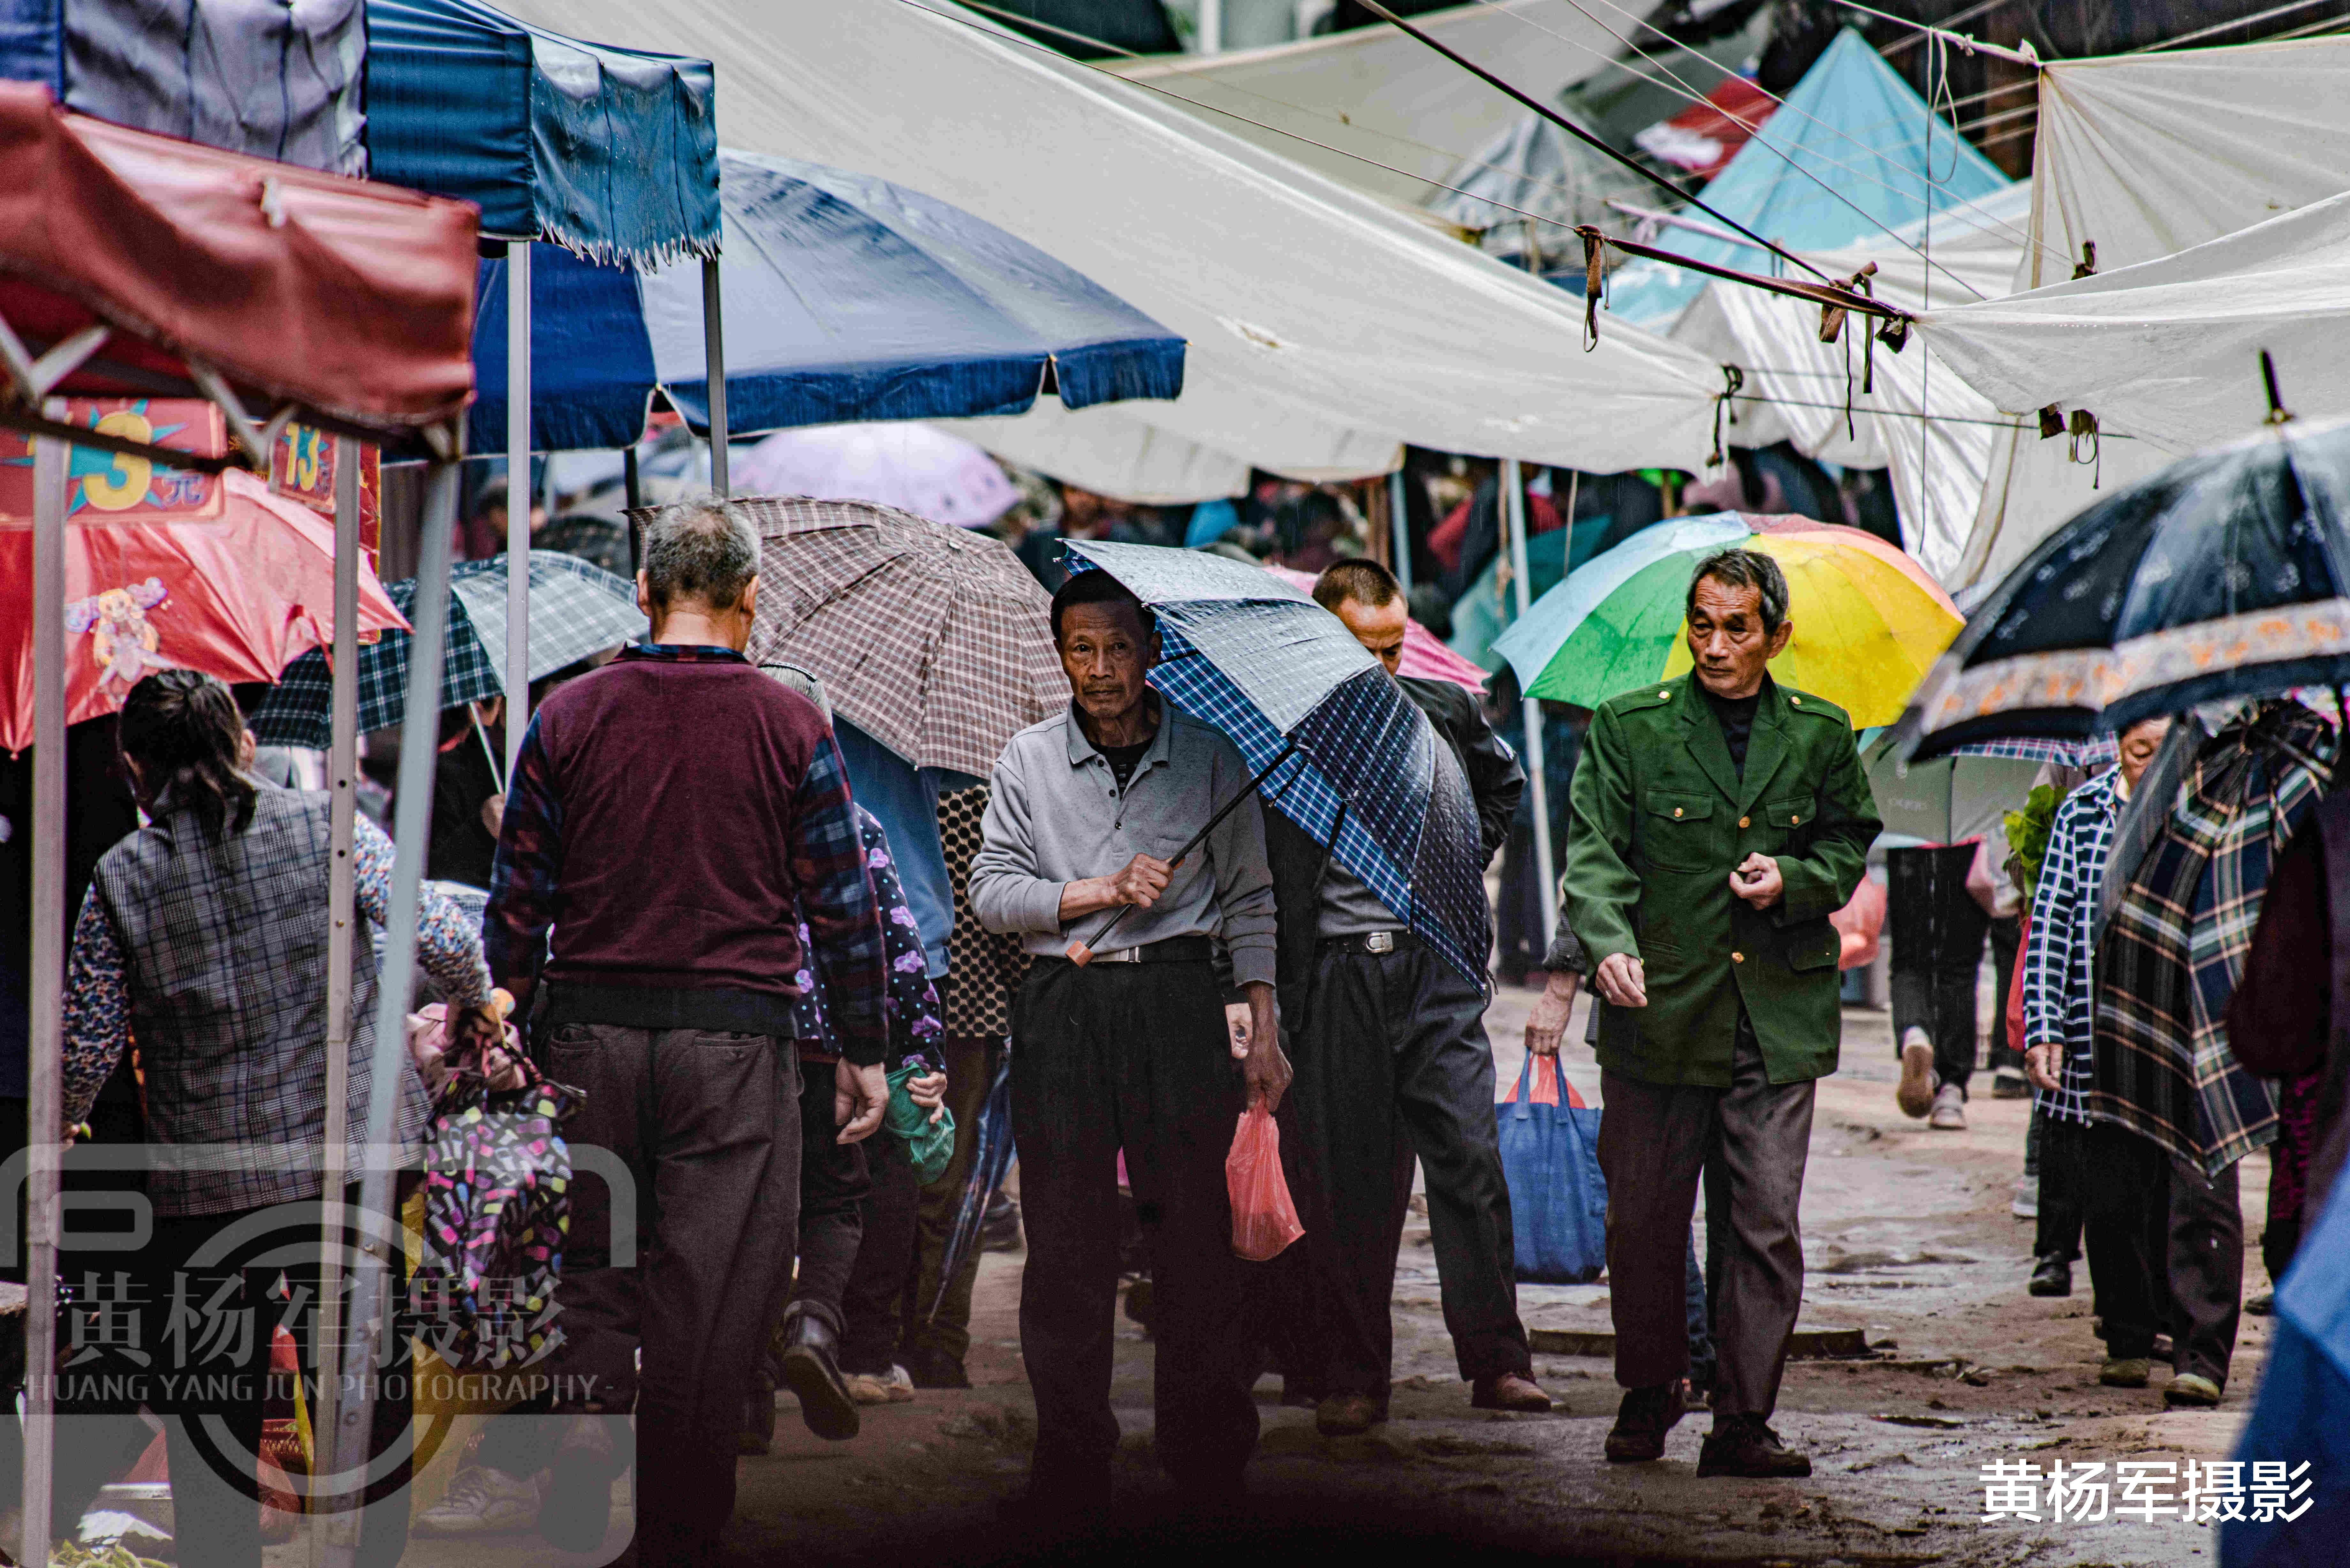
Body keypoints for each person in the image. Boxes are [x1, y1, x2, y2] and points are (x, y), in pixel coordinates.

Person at [484, 498, 889, 1562]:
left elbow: (518, 888)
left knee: (591, 1263)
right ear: (752, 601)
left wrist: (508, 999)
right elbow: (843, 902)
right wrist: (865, 1047)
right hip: (733, 1043)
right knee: (712, 1291)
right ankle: (677, 1525)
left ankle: (580, 1431)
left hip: (587, 1036)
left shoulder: (568, 714)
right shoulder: (790, 722)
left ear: (644, 593)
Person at [53, 671, 494, 1566]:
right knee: (368, 1373)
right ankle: (373, 1554)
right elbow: (443, 936)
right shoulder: (331, 829)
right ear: (243, 745)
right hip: (356, 1154)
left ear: (134, 767)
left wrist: (61, 1123)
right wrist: (477, 1003)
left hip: (212, 1180)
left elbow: (89, 1046)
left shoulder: (121, 879)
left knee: (212, 1389)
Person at [969, 568, 1287, 1508]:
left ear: (1152, 651)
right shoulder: (1026, 759)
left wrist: (1262, 1026)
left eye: (1117, 647)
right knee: (1065, 1239)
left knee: (1193, 1232)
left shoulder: (1212, 759)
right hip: (1064, 1004)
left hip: (1181, 1001)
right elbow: (992, 893)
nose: (1100, 668)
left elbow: (1252, 900)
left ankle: (1206, 1452)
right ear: (1059, 653)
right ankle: (1069, 1455)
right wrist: (1098, 889)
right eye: (1081, 649)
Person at [1561, 549, 1878, 1477]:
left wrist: (1795, 878)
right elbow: (1594, 853)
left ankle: (1741, 1416)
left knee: (1761, 1221)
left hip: (1773, 1017)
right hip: (1657, 1010)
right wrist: (1605, 939)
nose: (1714, 643)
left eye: (1735, 626)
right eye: (1700, 623)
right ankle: (1651, 1382)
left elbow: (1846, 842)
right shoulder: (1628, 727)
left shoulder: (1820, 734)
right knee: (1644, 1220)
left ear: (1774, 635)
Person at [1265, 559, 1550, 1435]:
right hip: (1339, 975)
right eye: (1364, 651)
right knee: (1350, 1186)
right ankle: (1355, 1376)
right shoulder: (1286, 734)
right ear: (1323, 644)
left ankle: (1497, 1362)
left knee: (1469, 1158)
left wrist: (1456, 862)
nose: (1383, 670)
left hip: (1437, 969)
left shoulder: (1446, 712)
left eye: (1393, 650)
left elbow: (1507, 789)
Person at [2019, 719, 2167, 1313]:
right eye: (2137, 748)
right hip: (2095, 1028)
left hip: (2170, 1030)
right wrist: (2044, 1028)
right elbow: (2052, 923)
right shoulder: (2083, 811)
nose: (2149, 760)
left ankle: (2168, 1320)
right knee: (2110, 1189)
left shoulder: (2202, 804)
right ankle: (2125, 1324)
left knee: (2169, 1188)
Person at [1887, 841, 1994, 1130]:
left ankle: (1915, 1033)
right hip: (1967, 843)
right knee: (1959, 967)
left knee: (1909, 960)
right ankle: (1951, 1091)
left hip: (1909, 838)